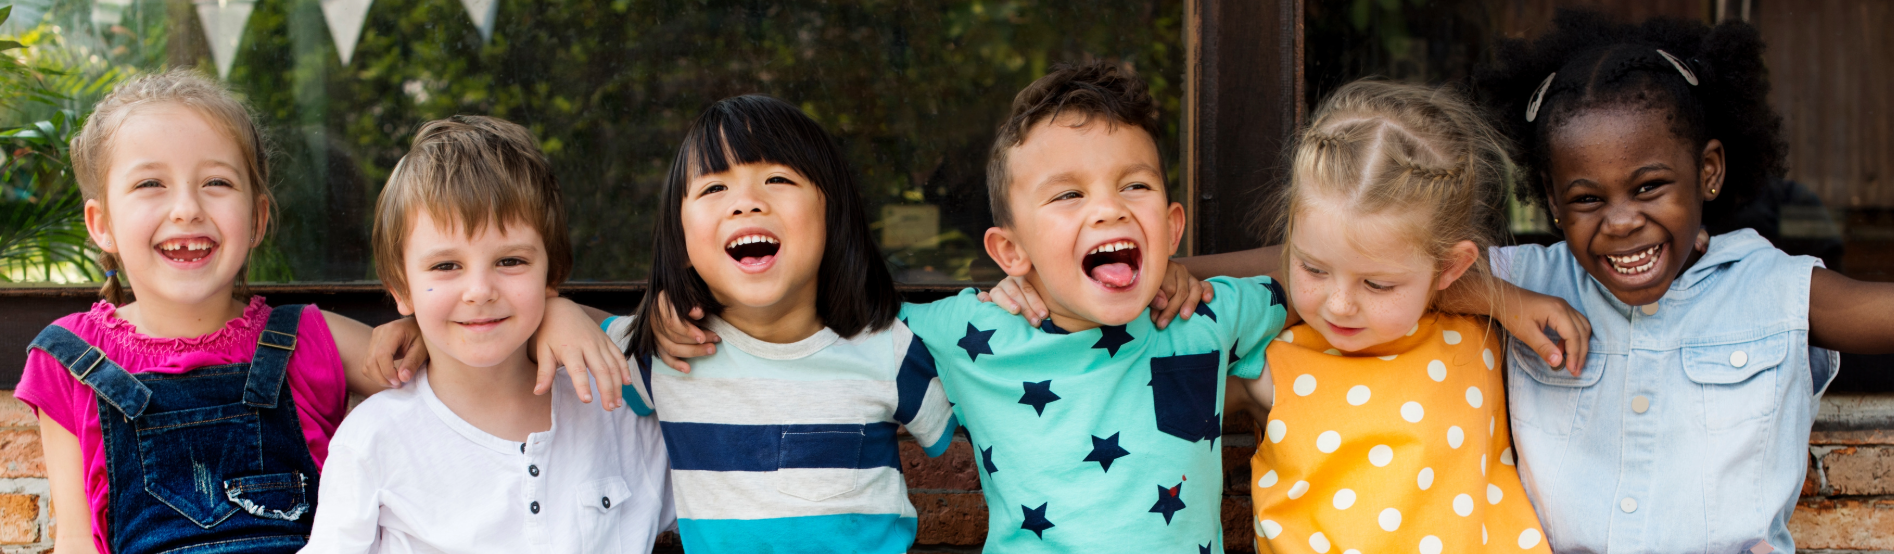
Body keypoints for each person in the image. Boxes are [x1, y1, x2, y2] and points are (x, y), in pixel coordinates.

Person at [655, 62, 1585, 552]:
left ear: (1171, 223)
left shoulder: (1213, 315)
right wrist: (641, 311)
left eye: (1131, 186)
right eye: (1066, 196)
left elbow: (1349, 264)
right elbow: (809, 324)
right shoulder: (969, 333)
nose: (1105, 208)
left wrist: (1492, 294)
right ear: (1010, 251)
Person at [17, 71, 620, 554]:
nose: (185, 210)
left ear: (257, 219)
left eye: (216, 183)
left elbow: (467, 344)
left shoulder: (306, 338)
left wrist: (553, 311)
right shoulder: (70, 359)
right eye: (151, 184)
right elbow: (75, 540)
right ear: (102, 225)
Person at [1467, 11, 1894, 552]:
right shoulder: (1531, 278)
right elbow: (1400, 274)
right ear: (1553, 199)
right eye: (1587, 198)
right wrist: (1506, 301)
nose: (1621, 220)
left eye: (1650, 186)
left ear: (1708, 171)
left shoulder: (1769, 286)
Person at [302, 116, 672, 553]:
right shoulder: (373, 439)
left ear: (551, 272)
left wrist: (566, 312)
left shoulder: (619, 409)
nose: (479, 291)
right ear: (402, 287)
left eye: (510, 261)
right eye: (446, 266)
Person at [609, 95, 954, 553]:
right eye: (714, 188)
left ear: (832, 212)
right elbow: (546, 342)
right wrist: (560, 315)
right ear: (680, 235)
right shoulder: (662, 350)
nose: (746, 203)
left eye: (777, 179)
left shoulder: (889, 347)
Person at [1239, 80, 1550, 553]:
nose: (1339, 304)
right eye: (1313, 268)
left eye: (1377, 284)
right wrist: (1169, 278)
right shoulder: (1271, 362)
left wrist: (1503, 300)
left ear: (1451, 267)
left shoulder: (1478, 335)